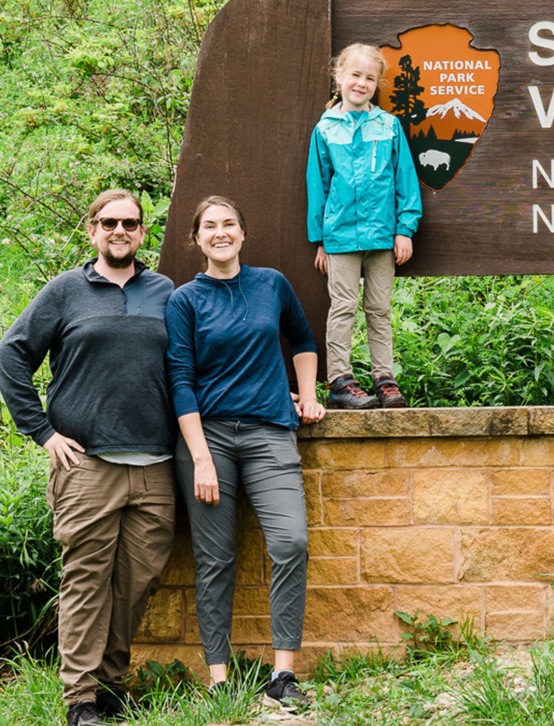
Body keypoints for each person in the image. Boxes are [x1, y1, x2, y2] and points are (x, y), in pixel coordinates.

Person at [0, 189, 176, 726]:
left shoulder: (165, 291)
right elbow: (11, 354)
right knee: (87, 581)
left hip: (156, 466)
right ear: (92, 230)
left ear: (144, 232)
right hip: (86, 466)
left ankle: (112, 685)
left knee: (138, 583)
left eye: (131, 223)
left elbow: (198, 362)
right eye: (109, 222)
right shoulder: (66, 291)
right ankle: (80, 700)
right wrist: (43, 432)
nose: (120, 231)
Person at [166, 196, 325, 704]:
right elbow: (181, 380)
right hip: (206, 439)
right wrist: (202, 458)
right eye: (209, 226)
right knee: (215, 559)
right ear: (196, 238)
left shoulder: (271, 284)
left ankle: (283, 675)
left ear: (242, 232)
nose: (220, 232)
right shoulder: (185, 300)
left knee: (291, 543)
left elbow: (302, 340)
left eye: (229, 223)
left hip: (269, 434)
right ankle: (220, 678)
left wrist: (310, 395)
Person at [305, 42, 423, 410]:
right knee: (342, 306)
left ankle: (384, 379)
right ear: (339, 77)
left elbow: (406, 179)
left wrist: (405, 229)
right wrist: (320, 240)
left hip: (382, 236)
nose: (361, 83)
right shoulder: (325, 130)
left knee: (379, 308)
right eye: (355, 75)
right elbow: (318, 185)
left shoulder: (388, 127)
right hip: (340, 237)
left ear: (377, 84)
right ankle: (340, 380)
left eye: (370, 78)